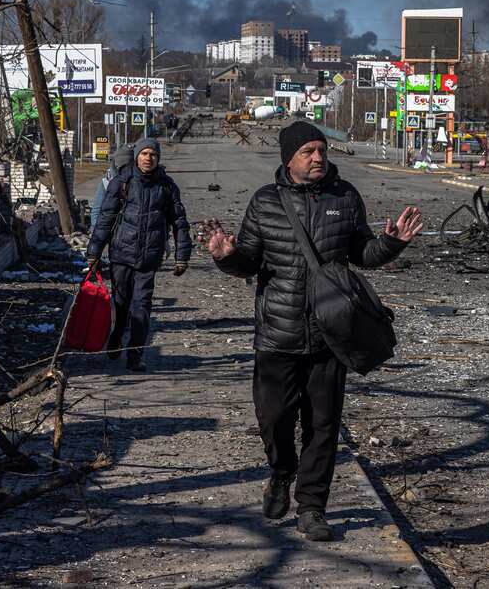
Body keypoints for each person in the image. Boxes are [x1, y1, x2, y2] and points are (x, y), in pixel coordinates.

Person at [204, 121, 422, 542]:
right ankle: (281, 471)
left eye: (321, 149)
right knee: (274, 419)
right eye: (308, 151)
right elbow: (249, 260)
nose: (318, 157)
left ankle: (311, 507)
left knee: (323, 427)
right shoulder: (265, 201)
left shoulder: (345, 196)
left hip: (330, 334)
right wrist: (226, 257)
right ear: (289, 158)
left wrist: (392, 243)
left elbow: (362, 253)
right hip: (277, 334)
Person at [87, 137, 192, 371]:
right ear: (136, 157)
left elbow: (179, 222)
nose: (148, 158)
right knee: (121, 303)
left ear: (158, 158)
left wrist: (182, 256)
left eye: (152, 154)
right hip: (121, 254)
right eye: (144, 154)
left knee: (142, 306)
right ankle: (116, 336)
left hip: (149, 257)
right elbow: (105, 218)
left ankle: (135, 355)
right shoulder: (122, 182)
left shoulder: (166, 186)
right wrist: (94, 253)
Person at [89, 144, 136, 233]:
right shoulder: (107, 182)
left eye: (127, 167)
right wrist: (96, 231)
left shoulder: (139, 181)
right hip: (111, 230)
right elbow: (97, 210)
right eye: (121, 168)